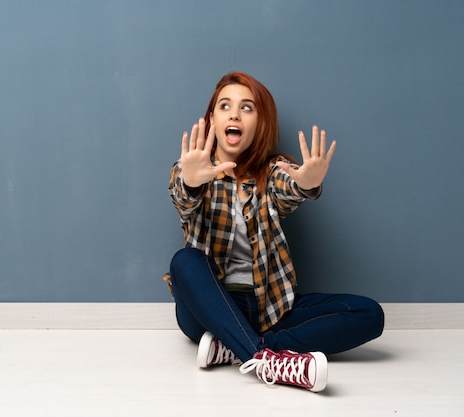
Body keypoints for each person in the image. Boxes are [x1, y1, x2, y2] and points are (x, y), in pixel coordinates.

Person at [163, 72, 384, 393]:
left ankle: (244, 348)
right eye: (225, 106)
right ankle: (265, 357)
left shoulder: (273, 170)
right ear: (212, 119)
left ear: (260, 122)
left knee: (369, 313)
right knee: (185, 261)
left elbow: (290, 185)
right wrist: (192, 181)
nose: (235, 114)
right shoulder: (190, 168)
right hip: (207, 314)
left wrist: (306, 182)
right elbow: (183, 198)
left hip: (267, 308)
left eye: (247, 108)